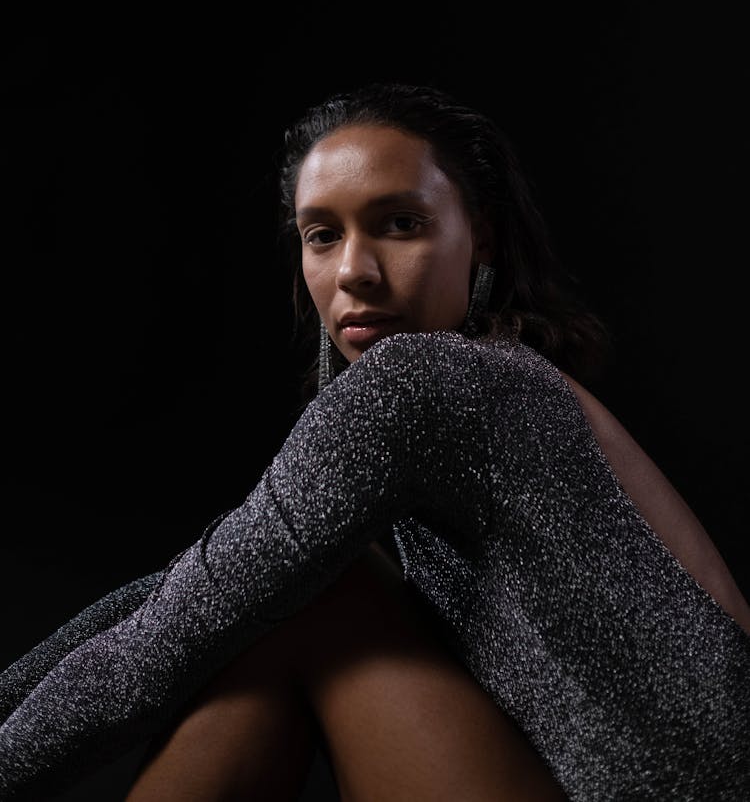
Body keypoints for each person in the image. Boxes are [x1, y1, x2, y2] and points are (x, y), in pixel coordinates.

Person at [1, 80, 749, 801]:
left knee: (312, 597)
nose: (354, 271)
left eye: (400, 224)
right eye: (322, 235)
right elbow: (187, 588)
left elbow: (168, 636)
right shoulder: (496, 376)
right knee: (289, 588)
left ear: (479, 237)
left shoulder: (423, 384)